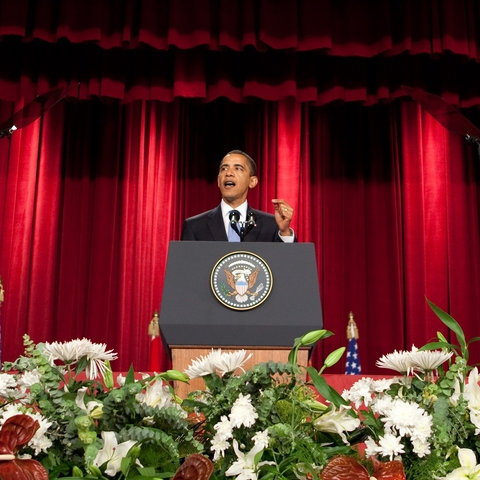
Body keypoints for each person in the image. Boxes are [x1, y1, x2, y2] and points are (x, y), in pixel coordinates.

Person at [181, 150, 296, 242]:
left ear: (252, 181)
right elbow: (186, 268)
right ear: (218, 180)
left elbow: (288, 266)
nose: (229, 173)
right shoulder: (194, 226)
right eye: (224, 168)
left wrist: (285, 232)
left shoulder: (272, 225)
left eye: (238, 168)